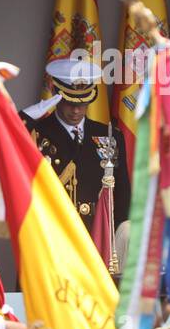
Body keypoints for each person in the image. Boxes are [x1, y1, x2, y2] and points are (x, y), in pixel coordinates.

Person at [10, 58, 129, 235]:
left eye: (82, 103)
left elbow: (122, 193)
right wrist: (22, 120)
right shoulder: (36, 133)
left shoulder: (110, 135)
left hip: (96, 237)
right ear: (55, 93)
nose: (76, 111)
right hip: (53, 236)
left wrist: (118, 238)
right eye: (70, 103)